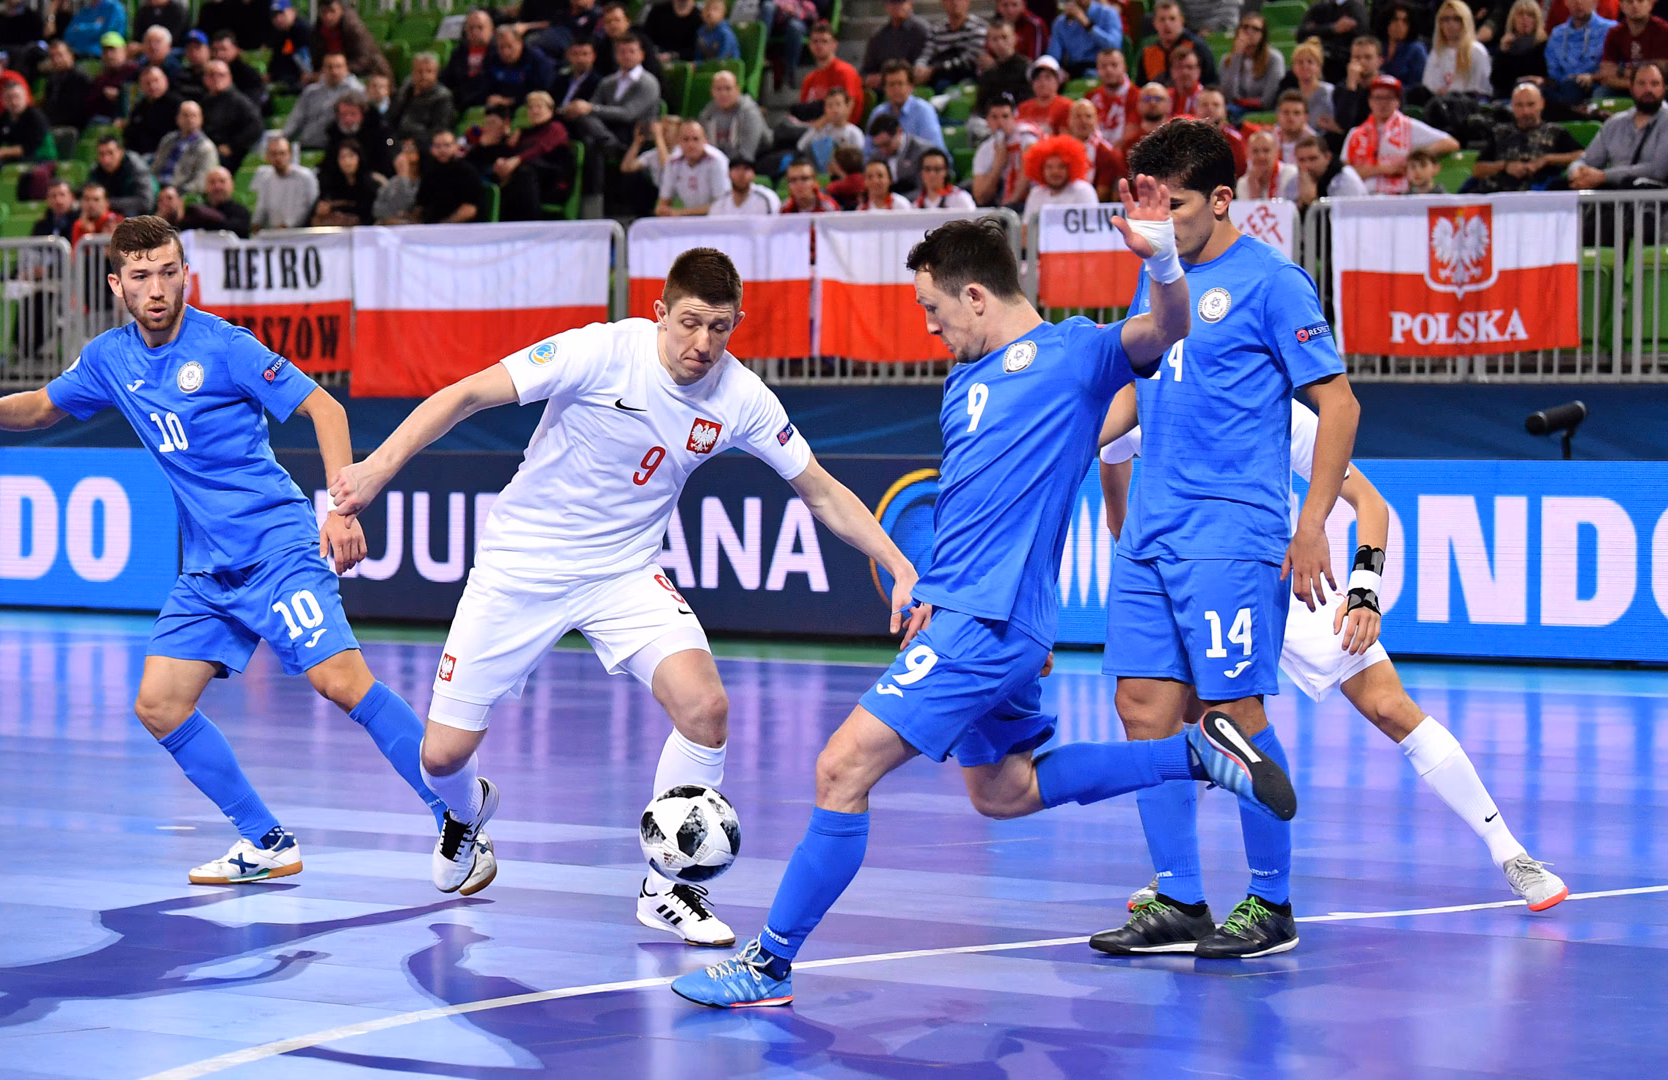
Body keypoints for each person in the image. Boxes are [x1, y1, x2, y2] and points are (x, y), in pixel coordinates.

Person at [666, 203, 1298, 1008]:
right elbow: (973, 507)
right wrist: (929, 593)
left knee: (840, 768)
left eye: (932, 307)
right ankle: (1197, 756)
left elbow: (1168, 327)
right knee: (1002, 790)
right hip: (973, 616)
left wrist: (1166, 263)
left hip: (987, 623)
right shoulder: (963, 381)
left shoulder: (1074, 353)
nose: (929, 326)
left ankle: (769, 963)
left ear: (974, 296)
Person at [331, 247, 935, 947]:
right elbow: (465, 395)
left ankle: (667, 886)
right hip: (520, 567)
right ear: (659, 314)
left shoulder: (741, 397)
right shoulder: (600, 352)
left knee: (706, 707)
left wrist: (898, 564)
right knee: (441, 757)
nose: (702, 343)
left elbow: (821, 490)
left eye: (719, 327)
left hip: (623, 571)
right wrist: (376, 470)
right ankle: (465, 814)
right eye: (689, 323)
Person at [0, 215, 458, 889]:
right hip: (208, 571)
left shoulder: (226, 347)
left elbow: (326, 409)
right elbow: (42, 407)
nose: (156, 289)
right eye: (141, 276)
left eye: (168, 273)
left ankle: (455, 812)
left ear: (186, 276)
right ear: (117, 284)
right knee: (160, 704)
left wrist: (342, 507)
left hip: (275, 547)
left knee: (341, 682)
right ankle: (266, 840)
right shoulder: (110, 359)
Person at [1098, 401, 1569, 913]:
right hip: (1191, 581)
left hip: (1280, 574)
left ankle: (1511, 854)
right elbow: (1111, 458)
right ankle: (1174, 878)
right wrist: (1131, 543)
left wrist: (1364, 591)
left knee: (1389, 706)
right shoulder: (1152, 400)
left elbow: (1369, 501)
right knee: (1190, 722)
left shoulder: (1278, 410)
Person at [1086, 118, 1358, 962]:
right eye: (1150, 208)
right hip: (1150, 533)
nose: (1159, 225)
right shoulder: (1158, 276)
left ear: (1221, 199)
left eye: (1173, 207)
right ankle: (1179, 899)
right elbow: (1140, 386)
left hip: (1233, 533)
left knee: (1232, 716)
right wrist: (1072, 440)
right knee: (1143, 709)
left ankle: (1271, 903)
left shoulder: (1274, 282)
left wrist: (1312, 523)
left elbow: (1339, 404)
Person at [1344, 74, 1459, 193]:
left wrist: (1413, 158)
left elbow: (1450, 143)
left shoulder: (1409, 126)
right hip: (1363, 196)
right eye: (1378, 98)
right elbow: (1345, 173)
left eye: (1389, 98)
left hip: (1400, 195)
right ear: (1370, 101)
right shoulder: (1355, 133)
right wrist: (1383, 169)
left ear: (1398, 102)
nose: (1383, 103)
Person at [1569, 59, 1668, 187]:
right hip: (1612, 191)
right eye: (1641, 84)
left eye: (1655, 84)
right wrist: (1577, 171)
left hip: (1652, 194)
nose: (1648, 89)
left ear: (1664, 89)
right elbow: (1586, 160)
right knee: (1557, 185)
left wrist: (1604, 176)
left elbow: (1658, 170)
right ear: (1631, 88)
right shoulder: (1614, 123)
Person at [1470, 81, 1583, 190]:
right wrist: (1505, 166)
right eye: (1519, 105)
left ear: (1542, 104)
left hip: (1540, 193)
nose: (1525, 111)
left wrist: (1547, 159)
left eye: (1531, 104)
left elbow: (1582, 156)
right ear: (1512, 106)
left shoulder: (1555, 132)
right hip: (1500, 192)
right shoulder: (1500, 133)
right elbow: (1478, 169)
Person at [565, 36, 662, 152]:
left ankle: (611, 144)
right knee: (584, 119)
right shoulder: (608, 82)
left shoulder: (648, 82)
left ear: (642, 55)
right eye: (622, 52)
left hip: (635, 134)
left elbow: (628, 114)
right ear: (616, 55)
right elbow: (593, 104)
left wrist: (591, 108)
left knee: (593, 139)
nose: (627, 56)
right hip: (609, 130)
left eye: (631, 52)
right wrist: (583, 108)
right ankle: (611, 143)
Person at [283, 52, 365, 151]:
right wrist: (283, 138)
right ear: (323, 70)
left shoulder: (357, 91)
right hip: (307, 145)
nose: (334, 71)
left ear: (346, 69)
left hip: (338, 147)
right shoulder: (310, 92)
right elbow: (296, 118)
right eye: (330, 67)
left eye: (338, 66)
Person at [653, 120, 731, 216]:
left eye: (696, 139)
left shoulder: (716, 160)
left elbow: (722, 206)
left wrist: (681, 212)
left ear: (705, 141)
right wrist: (664, 211)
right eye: (686, 139)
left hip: (717, 219)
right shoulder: (673, 163)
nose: (691, 145)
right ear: (678, 142)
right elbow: (662, 205)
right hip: (688, 219)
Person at [406, 129, 485, 224]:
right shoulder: (430, 172)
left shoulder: (467, 172)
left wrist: (443, 225)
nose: (442, 150)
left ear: (456, 147)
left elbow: (470, 210)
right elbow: (421, 204)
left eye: (447, 145)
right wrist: (411, 222)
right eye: (437, 146)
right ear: (431, 149)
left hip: (460, 228)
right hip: (430, 225)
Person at [868, 60, 947, 152]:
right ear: (885, 88)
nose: (896, 89)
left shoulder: (924, 111)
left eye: (900, 83)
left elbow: (935, 150)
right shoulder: (878, 113)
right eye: (891, 84)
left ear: (910, 86)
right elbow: (868, 151)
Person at [795, 21, 863, 123]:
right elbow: (802, 113)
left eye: (824, 41)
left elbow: (848, 108)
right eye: (815, 41)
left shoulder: (845, 72)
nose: (819, 45)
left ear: (834, 44)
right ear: (810, 45)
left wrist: (820, 124)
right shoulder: (809, 79)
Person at [1596, 0, 1668, 94]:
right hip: (1626, 86)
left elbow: (1660, 75)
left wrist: (1621, 72)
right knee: (1601, 93)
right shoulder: (1615, 33)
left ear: (1650, 5)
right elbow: (1606, 74)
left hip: (1657, 88)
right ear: (1621, 6)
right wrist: (1636, 84)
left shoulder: (1663, 30)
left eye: (1640, 1)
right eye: (1629, 2)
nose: (1634, 5)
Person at [389, 52, 459, 149]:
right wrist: (390, 140)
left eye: (429, 71)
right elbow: (390, 119)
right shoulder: (405, 91)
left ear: (436, 73)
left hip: (422, 146)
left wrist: (414, 142)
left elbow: (439, 130)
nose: (424, 76)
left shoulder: (443, 97)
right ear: (413, 72)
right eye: (419, 71)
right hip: (395, 142)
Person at [1139, 1, 1219, 84]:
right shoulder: (1148, 52)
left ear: (1181, 21)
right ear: (1154, 23)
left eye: (1172, 19)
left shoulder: (1197, 48)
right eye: (1162, 19)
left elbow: (1212, 84)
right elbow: (1141, 88)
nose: (1167, 24)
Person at [1423, 1, 1494, 95]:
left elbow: (1482, 91)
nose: (1450, 24)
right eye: (1445, 19)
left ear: (1465, 22)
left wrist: (1450, 94)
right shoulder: (1436, 52)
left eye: (1456, 19)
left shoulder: (1477, 51)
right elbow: (1428, 87)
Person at [1222, 13, 1287, 115]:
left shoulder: (1274, 59)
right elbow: (1228, 96)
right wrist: (1237, 57)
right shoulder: (1227, 60)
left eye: (1255, 29)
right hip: (1235, 110)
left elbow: (1268, 101)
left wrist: (1243, 102)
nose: (1249, 32)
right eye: (1245, 27)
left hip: (1264, 112)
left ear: (1263, 35)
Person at [916, 0, 991, 88]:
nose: (955, 2)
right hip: (940, 77)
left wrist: (935, 70)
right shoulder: (936, 29)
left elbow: (971, 59)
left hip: (968, 77)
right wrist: (920, 67)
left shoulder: (979, 27)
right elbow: (926, 54)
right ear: (943, 3)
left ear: (968, 1)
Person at [250, 134, 319, 229]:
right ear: (267, 156)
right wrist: (256, 224)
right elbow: (262, 207)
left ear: (289, 154)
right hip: (275, 232)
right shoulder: (266, 179)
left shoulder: (305, 177)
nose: (278, 158)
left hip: (302, 232)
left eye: (282, 153)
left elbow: (309, 207)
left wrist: (287, 225)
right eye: (274, 154)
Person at [863, 0, 934, 92]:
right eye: (892, 2)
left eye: (901, 1)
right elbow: (865, 71)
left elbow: (925, 67)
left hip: (914, 90)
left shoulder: (923, 31)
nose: (896, 5)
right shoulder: (878, 36)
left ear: (910, 3)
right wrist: (869, 78)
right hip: (883, 91)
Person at [1022, 132, 1098, 217]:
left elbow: (1092, 223)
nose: (1055, 172)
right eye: (1049, 167)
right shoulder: (1036, 194)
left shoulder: (1083, 191)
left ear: (1070, 168)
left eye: (1061, 167)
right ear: (1041, 169)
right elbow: (1026, 224)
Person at [698, 70, 768, 162]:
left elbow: (747, 153)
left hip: (756, 160)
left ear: (737, 90)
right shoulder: (708, 113)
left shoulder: (749, 111)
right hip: (720, 163)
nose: (723, 93)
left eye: (728, 89)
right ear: (712, 91)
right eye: (718, 89)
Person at [154, 100, 221, 195]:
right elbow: (155, 168)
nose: (190, 119)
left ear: (201, 119)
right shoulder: (168, 140)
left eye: (194, 116)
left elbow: (202, 182)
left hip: (180, 192)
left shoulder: (207, 148)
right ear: (177, 118)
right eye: (185, 115)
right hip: (157, 187)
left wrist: (178, 192)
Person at [796, 88, 866, 173]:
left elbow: (860, 158)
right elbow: (801, 146)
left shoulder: (854, 132)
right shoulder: (821, 130)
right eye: (830, 106)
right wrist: (816, 128)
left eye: (838, 104)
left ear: (847, 107)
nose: (834, 110)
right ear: (825, 109)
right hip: (822, 173)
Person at [311, 0, 388, 77]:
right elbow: (316, 61)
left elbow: (365, 59)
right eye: (324, 12)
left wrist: (340, 69)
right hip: (331, 74)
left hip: (367, 72)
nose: (328, 16)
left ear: (341, 10)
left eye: (332, 11)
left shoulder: (353, 28)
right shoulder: (317, 30)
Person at [1298, 0, 1370, 81]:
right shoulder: (1319, 8)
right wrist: (1333, 28)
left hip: (1345, 64)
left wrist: (1317, 30)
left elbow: (1363, 37)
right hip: (1320, 62)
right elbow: (1301, 35)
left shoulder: (1356, 8)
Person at [1068, 96, 1126, 197]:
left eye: (1088, 116)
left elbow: (1102, 194)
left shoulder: (1106, 152)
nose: (1083, 121)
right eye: (1077, 116)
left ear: (1096, 120)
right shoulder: (1060, 149)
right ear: (1069, 120)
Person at [1494, 0, 1553, 97]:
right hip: (1509, 95)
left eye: (1530, 15)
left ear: (1537, 20)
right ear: (1513, 19)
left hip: (1537, 94)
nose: (1525, 19)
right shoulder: (1506, 45)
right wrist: (1502, 52)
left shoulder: (1545, 45)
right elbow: (1496, 82)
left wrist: (1541, 80)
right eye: (1520, 14)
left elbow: (1552, 78)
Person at [123, 65, 182, 158]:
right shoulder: (139, 108)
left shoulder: (177, 105)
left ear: (165, 80)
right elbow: (129, 136)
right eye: (147, 83)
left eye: (156, 81)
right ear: (141, 86)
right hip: (138, 156)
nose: (152, 86)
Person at [867, 113, 934, 196]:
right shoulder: (877, 155)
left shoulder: (922, 152)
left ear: (899, 131)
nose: (883, 150)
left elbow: (924, 190)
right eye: (878, 146)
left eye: (887, 144)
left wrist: (897, 202)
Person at [976, 22, 1034, 115]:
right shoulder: (988, 71)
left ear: (1015, 38)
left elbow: (1029, 100)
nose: (1000, 43)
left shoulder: (1027, 67)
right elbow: (981, 105)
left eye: (1004, 37)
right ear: (989, 43)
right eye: (995, 39)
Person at [1294, 131, 1369, 203]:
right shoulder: (1296, 179)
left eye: (1313, 159)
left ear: (1327, 157)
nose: (1307, 165)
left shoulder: (1345, 179)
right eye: (1301, 160)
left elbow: (1346, 210)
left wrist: (1312, 200)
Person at [90, 134, 156, 215]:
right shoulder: (96, 168)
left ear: (121, 152)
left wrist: (108, 203)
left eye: (110, 153)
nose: (106, 160)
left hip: (139, 215)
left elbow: (145, 203)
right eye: (101, 154)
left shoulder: (136, 167)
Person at [1050, 0, 1122, 74]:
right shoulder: (1060, 22)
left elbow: (1114, 46)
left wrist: (1088, 25)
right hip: (1072, 70)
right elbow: (1053, 57)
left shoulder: (1108, 14)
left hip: (1098, 69)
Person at [40, 38, 97, 130]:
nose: (56, 60)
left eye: (60, 55)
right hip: (53, 124)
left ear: (70, 55)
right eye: (52, 56)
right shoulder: (53, 79)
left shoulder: (80, 78)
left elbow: (78, 111)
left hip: (72, 127)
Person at [1285, 39, 1341, 133]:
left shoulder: (1330, 92)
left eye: (1310, 62)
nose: (1305, 66)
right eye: (1300, 62)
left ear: (1319, 67)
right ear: (1294, 68)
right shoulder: (1292, 96)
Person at [1088, 48, 1141, 145]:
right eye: (1103, 66)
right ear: (1097, 70)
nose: (1109, 70)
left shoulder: (1137, 96)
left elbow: (1133, 132)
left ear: (1125, 68)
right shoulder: (1091, 97)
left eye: (1114, 65)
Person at [182, 166, 253, 236]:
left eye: (222, 181)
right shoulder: (197, 212)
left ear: (231, 185)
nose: (217, 186)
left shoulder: (242, 213)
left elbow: (240, 230)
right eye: (212, 182)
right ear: (206, 186)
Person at [1195, 88, 1251, 176]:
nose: (1210, 108)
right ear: (1196, 110)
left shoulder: (1235, 140)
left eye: (1216, 105)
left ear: (1225, 111)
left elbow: (1240, 173)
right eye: (1204, 105)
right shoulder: (1189, 139)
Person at [211, 32, 270, 111]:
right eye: (215, 50)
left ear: (235, 49)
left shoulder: (248, 75)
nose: (219, 54)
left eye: (223, 49)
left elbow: (252, 106)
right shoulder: (209, 74)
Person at [266, 0, 317, 92]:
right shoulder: (280, 32)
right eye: (274, 15)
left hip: (308, 76)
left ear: (293, 12)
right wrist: (271, 75)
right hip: (291, 77)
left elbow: (305, 60)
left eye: (281, 13)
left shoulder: (302, 30)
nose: (278, 19)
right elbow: (277, 57)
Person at [90, 32, 141, 121]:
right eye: (105, 52)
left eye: (113, 50)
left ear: (124, 51)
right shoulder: (101, 77)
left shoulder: (135, 71)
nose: (109, 55)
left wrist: (120, 95)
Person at [1018, 54, 1075, 132]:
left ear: (1057, 81)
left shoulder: (1067, 106)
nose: (1042, 82)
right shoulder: (1023, 108)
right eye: (1037, 78)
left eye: (1048, 77)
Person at [1238, 127, 1299, 197]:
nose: (1261, 156)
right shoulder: (1243, 183)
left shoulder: (1291, 175)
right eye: (1255, 151)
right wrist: (1253, 190)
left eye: (1266, 150)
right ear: (1248, 154)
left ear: (1276, 153)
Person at [710, 155, 781, 213]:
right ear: (728, 174)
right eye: (737, 168)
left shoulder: (767, 198)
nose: (741, 174)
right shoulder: (719, 203)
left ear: (754, 174)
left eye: (746, 169)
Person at [1120, 82, 1173, 155]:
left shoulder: (1174, 137)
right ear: (1138, 104)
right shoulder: (1130, 141)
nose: (1152, 103)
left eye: (1158, 98)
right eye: (1147, 98)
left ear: (1169, 104)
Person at [1382, 6, 1429, 88]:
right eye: (1395, 19)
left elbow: (1418, 85)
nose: (1399, 25)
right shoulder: (1378, 46)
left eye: (1405, 21)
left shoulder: (1416, 50)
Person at [65, 0, 130, 58]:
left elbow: (107, 35)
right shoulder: (84, 11)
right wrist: (95, 27)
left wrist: (80, 28)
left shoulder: (114, 8)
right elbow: (68, 35)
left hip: (103, 56)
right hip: (79, 55)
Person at [1273, 88, 1318, 161]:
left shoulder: (1314, 143)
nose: (1291, 117)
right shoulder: (1270, 137)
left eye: (1297, 113)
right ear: (1278, 116)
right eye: (1286, 112)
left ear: (1305, 118)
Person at [1167, 42, 1206, 117]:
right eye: (1179, 67)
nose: (1185, 72)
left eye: (1190, 67)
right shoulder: (1164, 98)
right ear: (1171, 71)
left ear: (1198, 71)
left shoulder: (1208, 100)